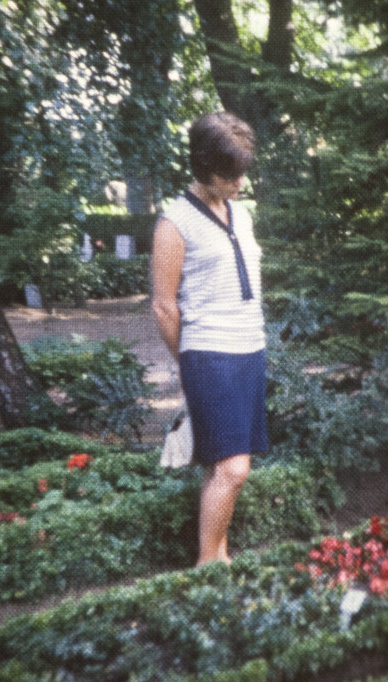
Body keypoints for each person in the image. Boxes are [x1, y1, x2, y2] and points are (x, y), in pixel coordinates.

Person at [151, 111, 267, 566]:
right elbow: (163, 306)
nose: (240, 182)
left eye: (243, 171)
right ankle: (206, 569)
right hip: (209, 354)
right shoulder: (174, 223)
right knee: (236, 469)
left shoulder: (242, 214)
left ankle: (218, 556)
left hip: (248, 349)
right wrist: (187, 362)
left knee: (222, 466)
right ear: (204, 167)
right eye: (230, 174)